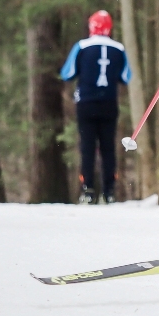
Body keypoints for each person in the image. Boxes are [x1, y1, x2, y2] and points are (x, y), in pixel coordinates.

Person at [60, 10, 132, 204]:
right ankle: (109, 191)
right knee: (108, 147)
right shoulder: (119, 48)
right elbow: (126, 77)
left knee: (87, 146)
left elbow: (67, 73)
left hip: (86, 102)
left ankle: (88, 189)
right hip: (109, 103)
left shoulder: (82, 46)